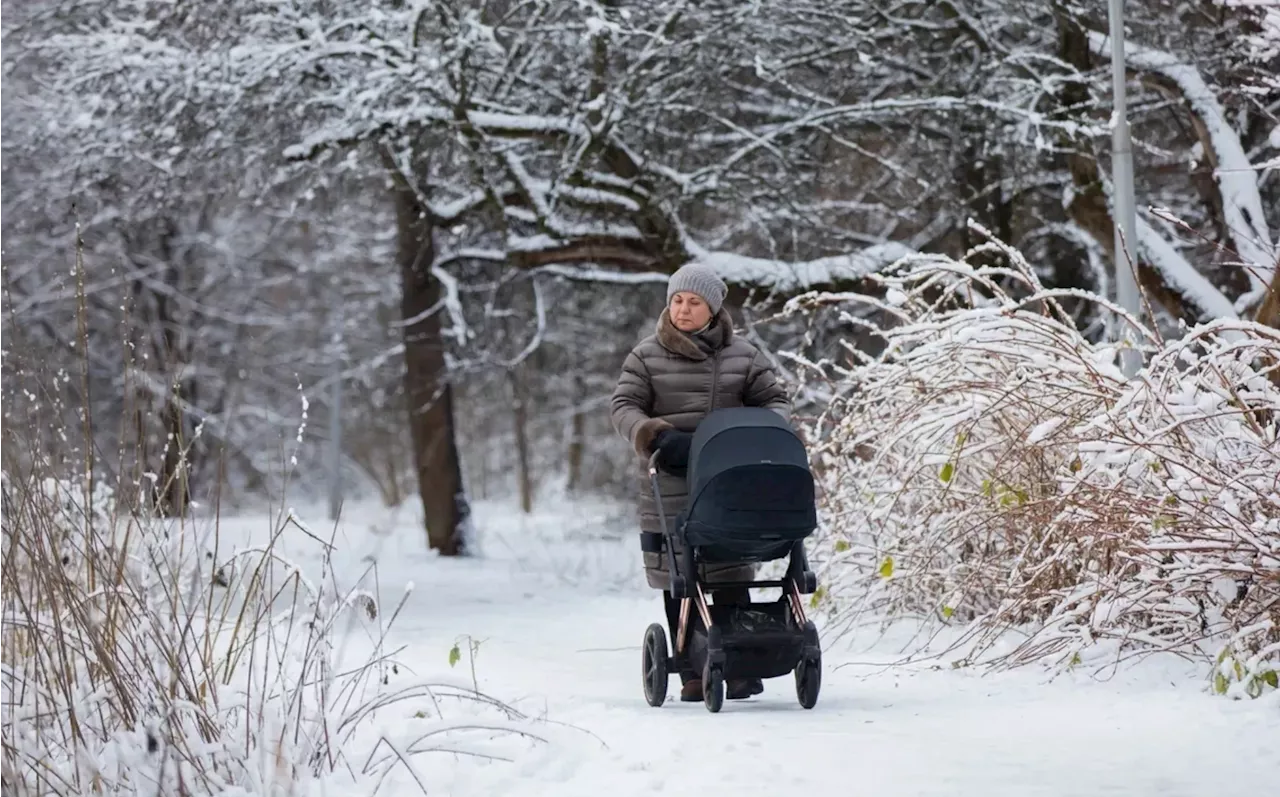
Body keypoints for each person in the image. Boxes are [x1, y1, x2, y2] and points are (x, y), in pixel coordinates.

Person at [610, 262, 792, 702]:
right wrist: (655, 434)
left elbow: (776, 402)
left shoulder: (743, 357)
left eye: (694, 302)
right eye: (677, 300)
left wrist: (755, 437)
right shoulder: (646, 355)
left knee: (730, 566)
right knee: (681, 574)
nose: (684, 309)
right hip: (669, 476)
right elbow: (623, 405)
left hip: (731, 477)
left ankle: (739, 664)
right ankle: (693, 668)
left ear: (712, 309)